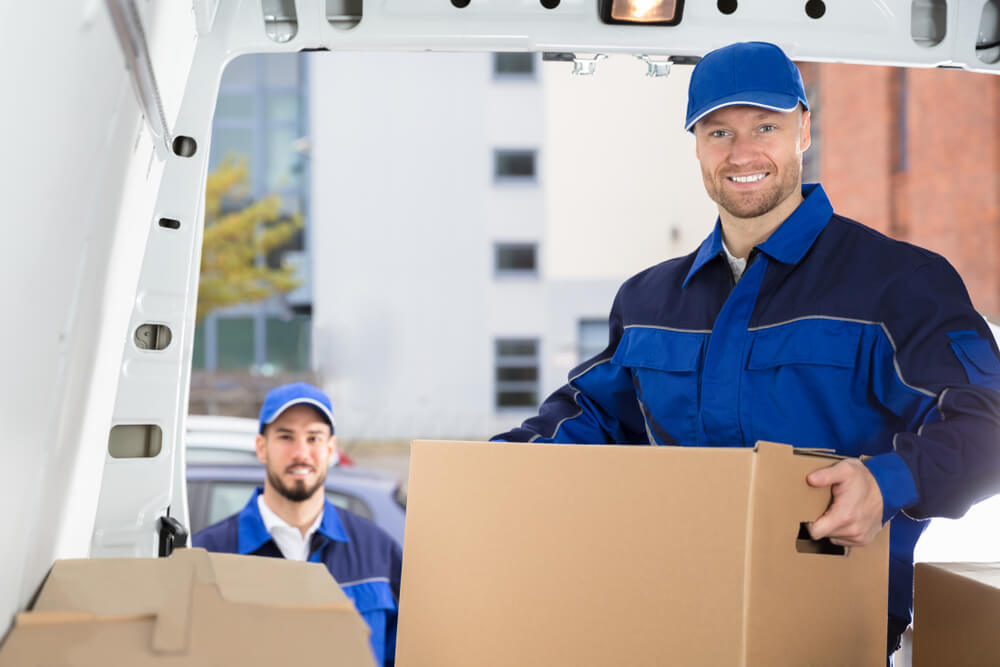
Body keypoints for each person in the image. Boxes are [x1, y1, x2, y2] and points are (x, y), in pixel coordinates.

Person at [494, 41, 1000, 661]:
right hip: (667, 621)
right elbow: (590, 419)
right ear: (697, 146)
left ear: (804, 129)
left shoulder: (898, 285)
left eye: (765, 126)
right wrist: (485, 479)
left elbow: (989, 424)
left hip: (832, 632)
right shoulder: (650, 301)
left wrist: (886, 482)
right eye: (719, 132)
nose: (741, 153)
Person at [193, 382, 402, 667]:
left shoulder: (378, 552)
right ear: (261, 448)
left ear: (331, 449)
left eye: (314, 438)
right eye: (286, 437)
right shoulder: (207, 555)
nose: (301, 453)